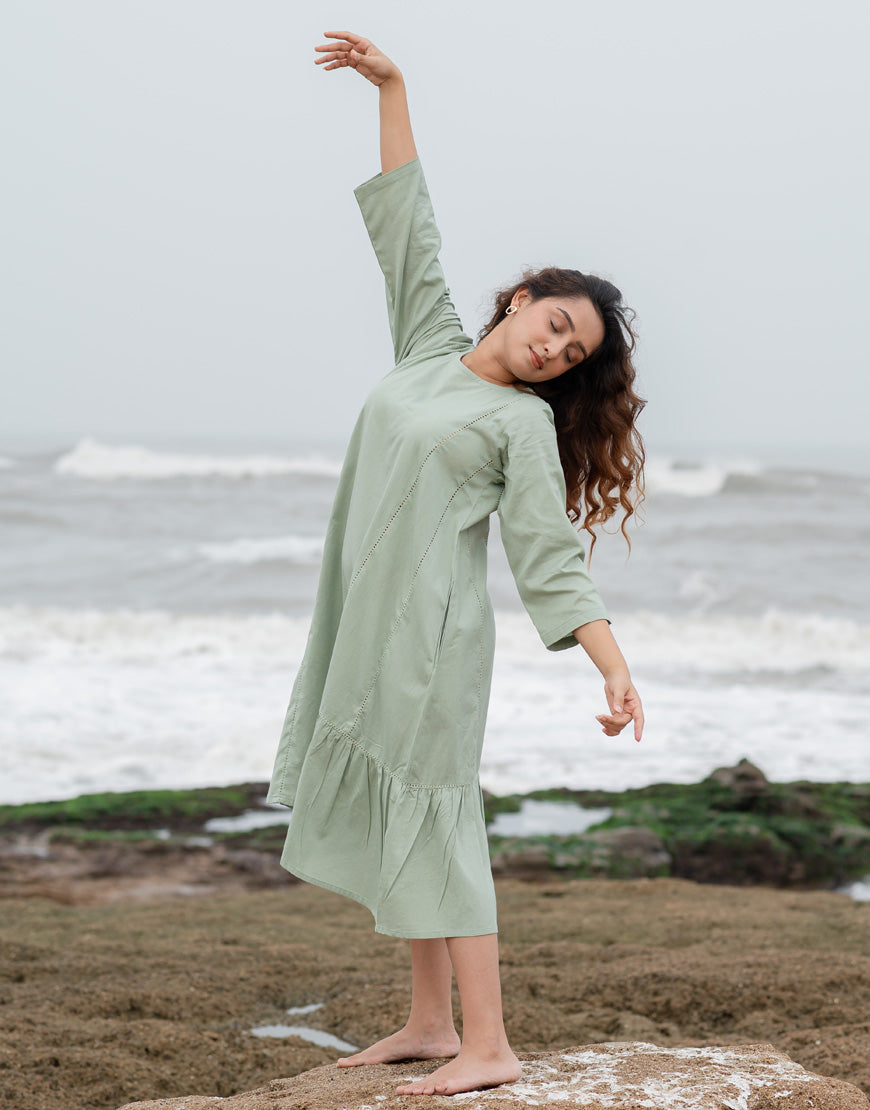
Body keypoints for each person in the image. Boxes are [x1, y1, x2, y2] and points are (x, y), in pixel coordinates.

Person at [267, 31, 646, 1098]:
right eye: (556, 327)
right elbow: (407, 226)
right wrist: (392, 89)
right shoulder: (430, 347)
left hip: (431, 645)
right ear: (521, 299)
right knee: (404, 815)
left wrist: (609, 663)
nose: (554, 352)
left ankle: (492, 1045)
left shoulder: (522, 428)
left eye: (572, 357)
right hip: (364, 621)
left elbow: (547, 556)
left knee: (438, 819)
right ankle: (431, 1023)